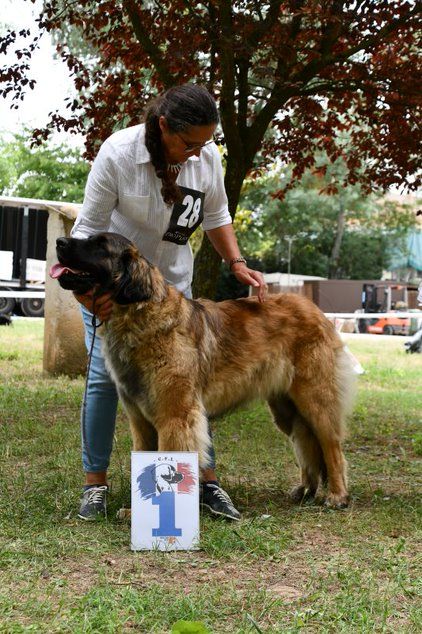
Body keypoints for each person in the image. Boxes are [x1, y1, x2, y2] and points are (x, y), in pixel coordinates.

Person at [71, 83, 266, 522]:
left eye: (205, 143)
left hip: (173, 293)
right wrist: (90, 294)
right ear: (163, 126)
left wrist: (236, 262)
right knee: (105, 381)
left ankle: (204, 484)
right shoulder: (119, 155)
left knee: (185, 386)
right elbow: (87, 231)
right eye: (189, 142)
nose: (197, 152)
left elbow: (216, 215)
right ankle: (95, 486)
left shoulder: (206, 158)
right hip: (115, 292)